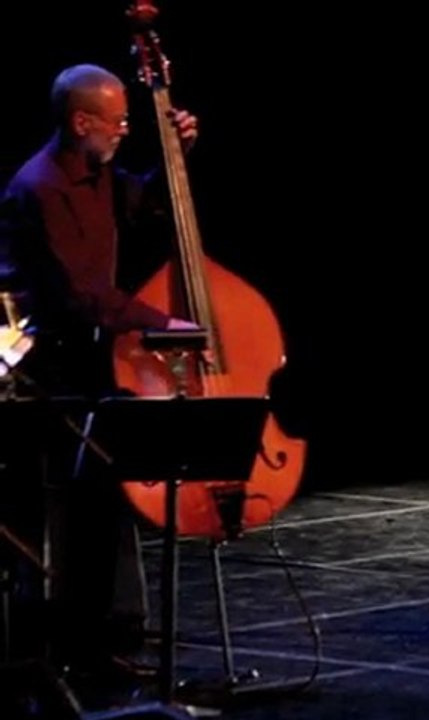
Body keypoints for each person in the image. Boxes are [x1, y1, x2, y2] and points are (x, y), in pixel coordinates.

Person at [0, 63, 199, 673]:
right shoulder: (40, 188)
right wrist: (166, 324)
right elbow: (81, 294)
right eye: (117, 122)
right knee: (64, 509)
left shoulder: (100, 174)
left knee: (99, 502)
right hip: (43, 368)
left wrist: (176, 155)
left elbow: (145, 206)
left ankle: (100, 637)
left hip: (89, 357)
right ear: (81, 120)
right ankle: (57, 645)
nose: (122, 132)